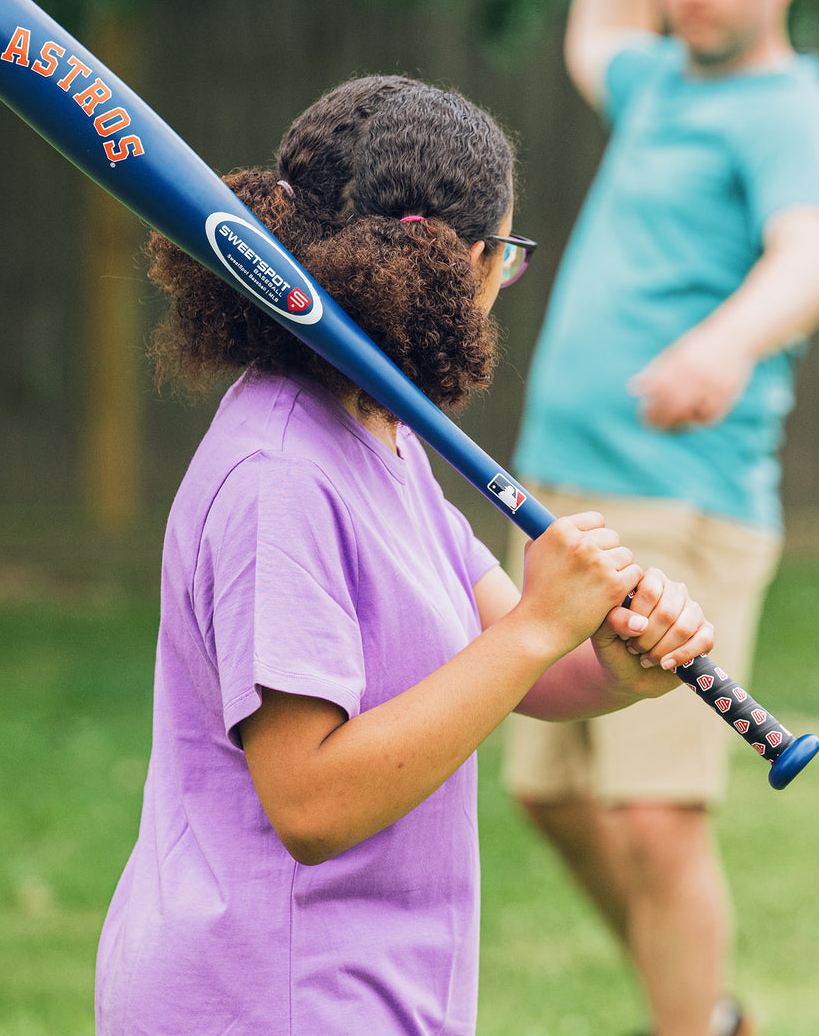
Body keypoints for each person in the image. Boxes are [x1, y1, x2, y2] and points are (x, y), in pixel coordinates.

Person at [94, 74, 717, 1036]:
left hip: (366, 987)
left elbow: (509, 658)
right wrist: (543, 628)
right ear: (461, 260)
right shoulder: (282, 474)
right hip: (270, 997)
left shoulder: (380, 438)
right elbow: (311, 800)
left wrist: (611, 667)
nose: (500, 284)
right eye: (503, 258)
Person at [504, 0, 819, 1036]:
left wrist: (730, 343)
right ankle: (704, 1010)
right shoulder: (663, 84)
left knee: (657, 819)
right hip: (562, 494)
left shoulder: (799, 115)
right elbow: (591, 23)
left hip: (681, 503)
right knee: (547, 791)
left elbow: (812, 254)